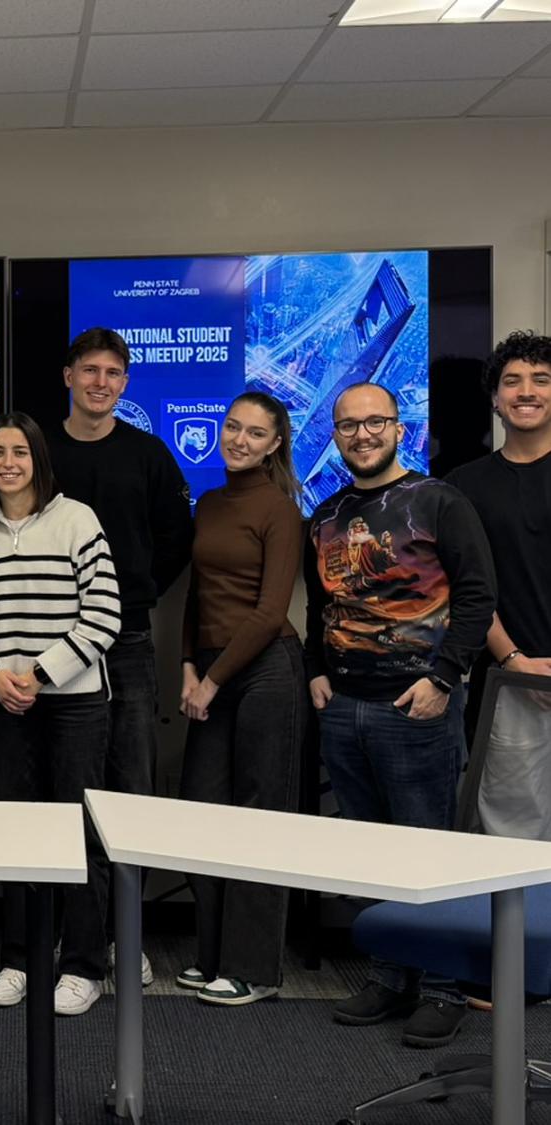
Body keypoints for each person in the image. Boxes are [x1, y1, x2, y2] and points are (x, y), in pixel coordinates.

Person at [306, 382, 495, 1048]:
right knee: (370, 854)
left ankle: (442, 986)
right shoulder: (326, 513)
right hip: (345, 706)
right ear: (335, 434)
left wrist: (445, 677)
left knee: (429, 850)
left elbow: (477, 595)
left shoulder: (438, 500)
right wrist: (315, 673)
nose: (362, 433)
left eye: (374, 421)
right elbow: (319, 608)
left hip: (417, 704)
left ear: (398, 425)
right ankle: (390, 976)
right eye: (348, 424)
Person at [46, 327, 192, 985]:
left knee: (128, 794)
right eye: (90, 370)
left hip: (127, 643)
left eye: (114, 373)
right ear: (68, 376)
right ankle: (69, 939)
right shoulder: (40, 453)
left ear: (125, 383)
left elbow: (175, 541)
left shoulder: (149, 454)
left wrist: (132, 596)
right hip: (46, 649)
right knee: (60, 796)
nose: (102, 382)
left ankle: (121, 939)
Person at [0, 413, 120, 1015]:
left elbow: (105, 615)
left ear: (38, 460)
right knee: (20, 832)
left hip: (75, 702)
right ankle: (22, 957)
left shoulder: (75, 518)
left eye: (20, 453)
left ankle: (84, 965)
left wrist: (40, 672)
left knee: (81, 831)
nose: (8, 462)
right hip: (9, 701)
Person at [174, 392, 305, 1006]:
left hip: (265, 670)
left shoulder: (280, 509)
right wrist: (187, 667)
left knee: (257, 815)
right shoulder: (210, 502)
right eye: (232, 427)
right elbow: (197, 599)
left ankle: (252, 968)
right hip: (213, 672)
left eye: (255, 433)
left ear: (275, 444)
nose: (238, 440)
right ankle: (210, 956)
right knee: (202, 812)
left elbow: (270, 611)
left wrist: (214, 680)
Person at [447, 332, 551, 839]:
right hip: (510, 683)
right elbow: (468, 588)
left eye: (541, 379)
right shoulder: (463, 487)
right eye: (512, 381)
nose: (526, 390)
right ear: (495, 399)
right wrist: (515, 662)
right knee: (513, 838)